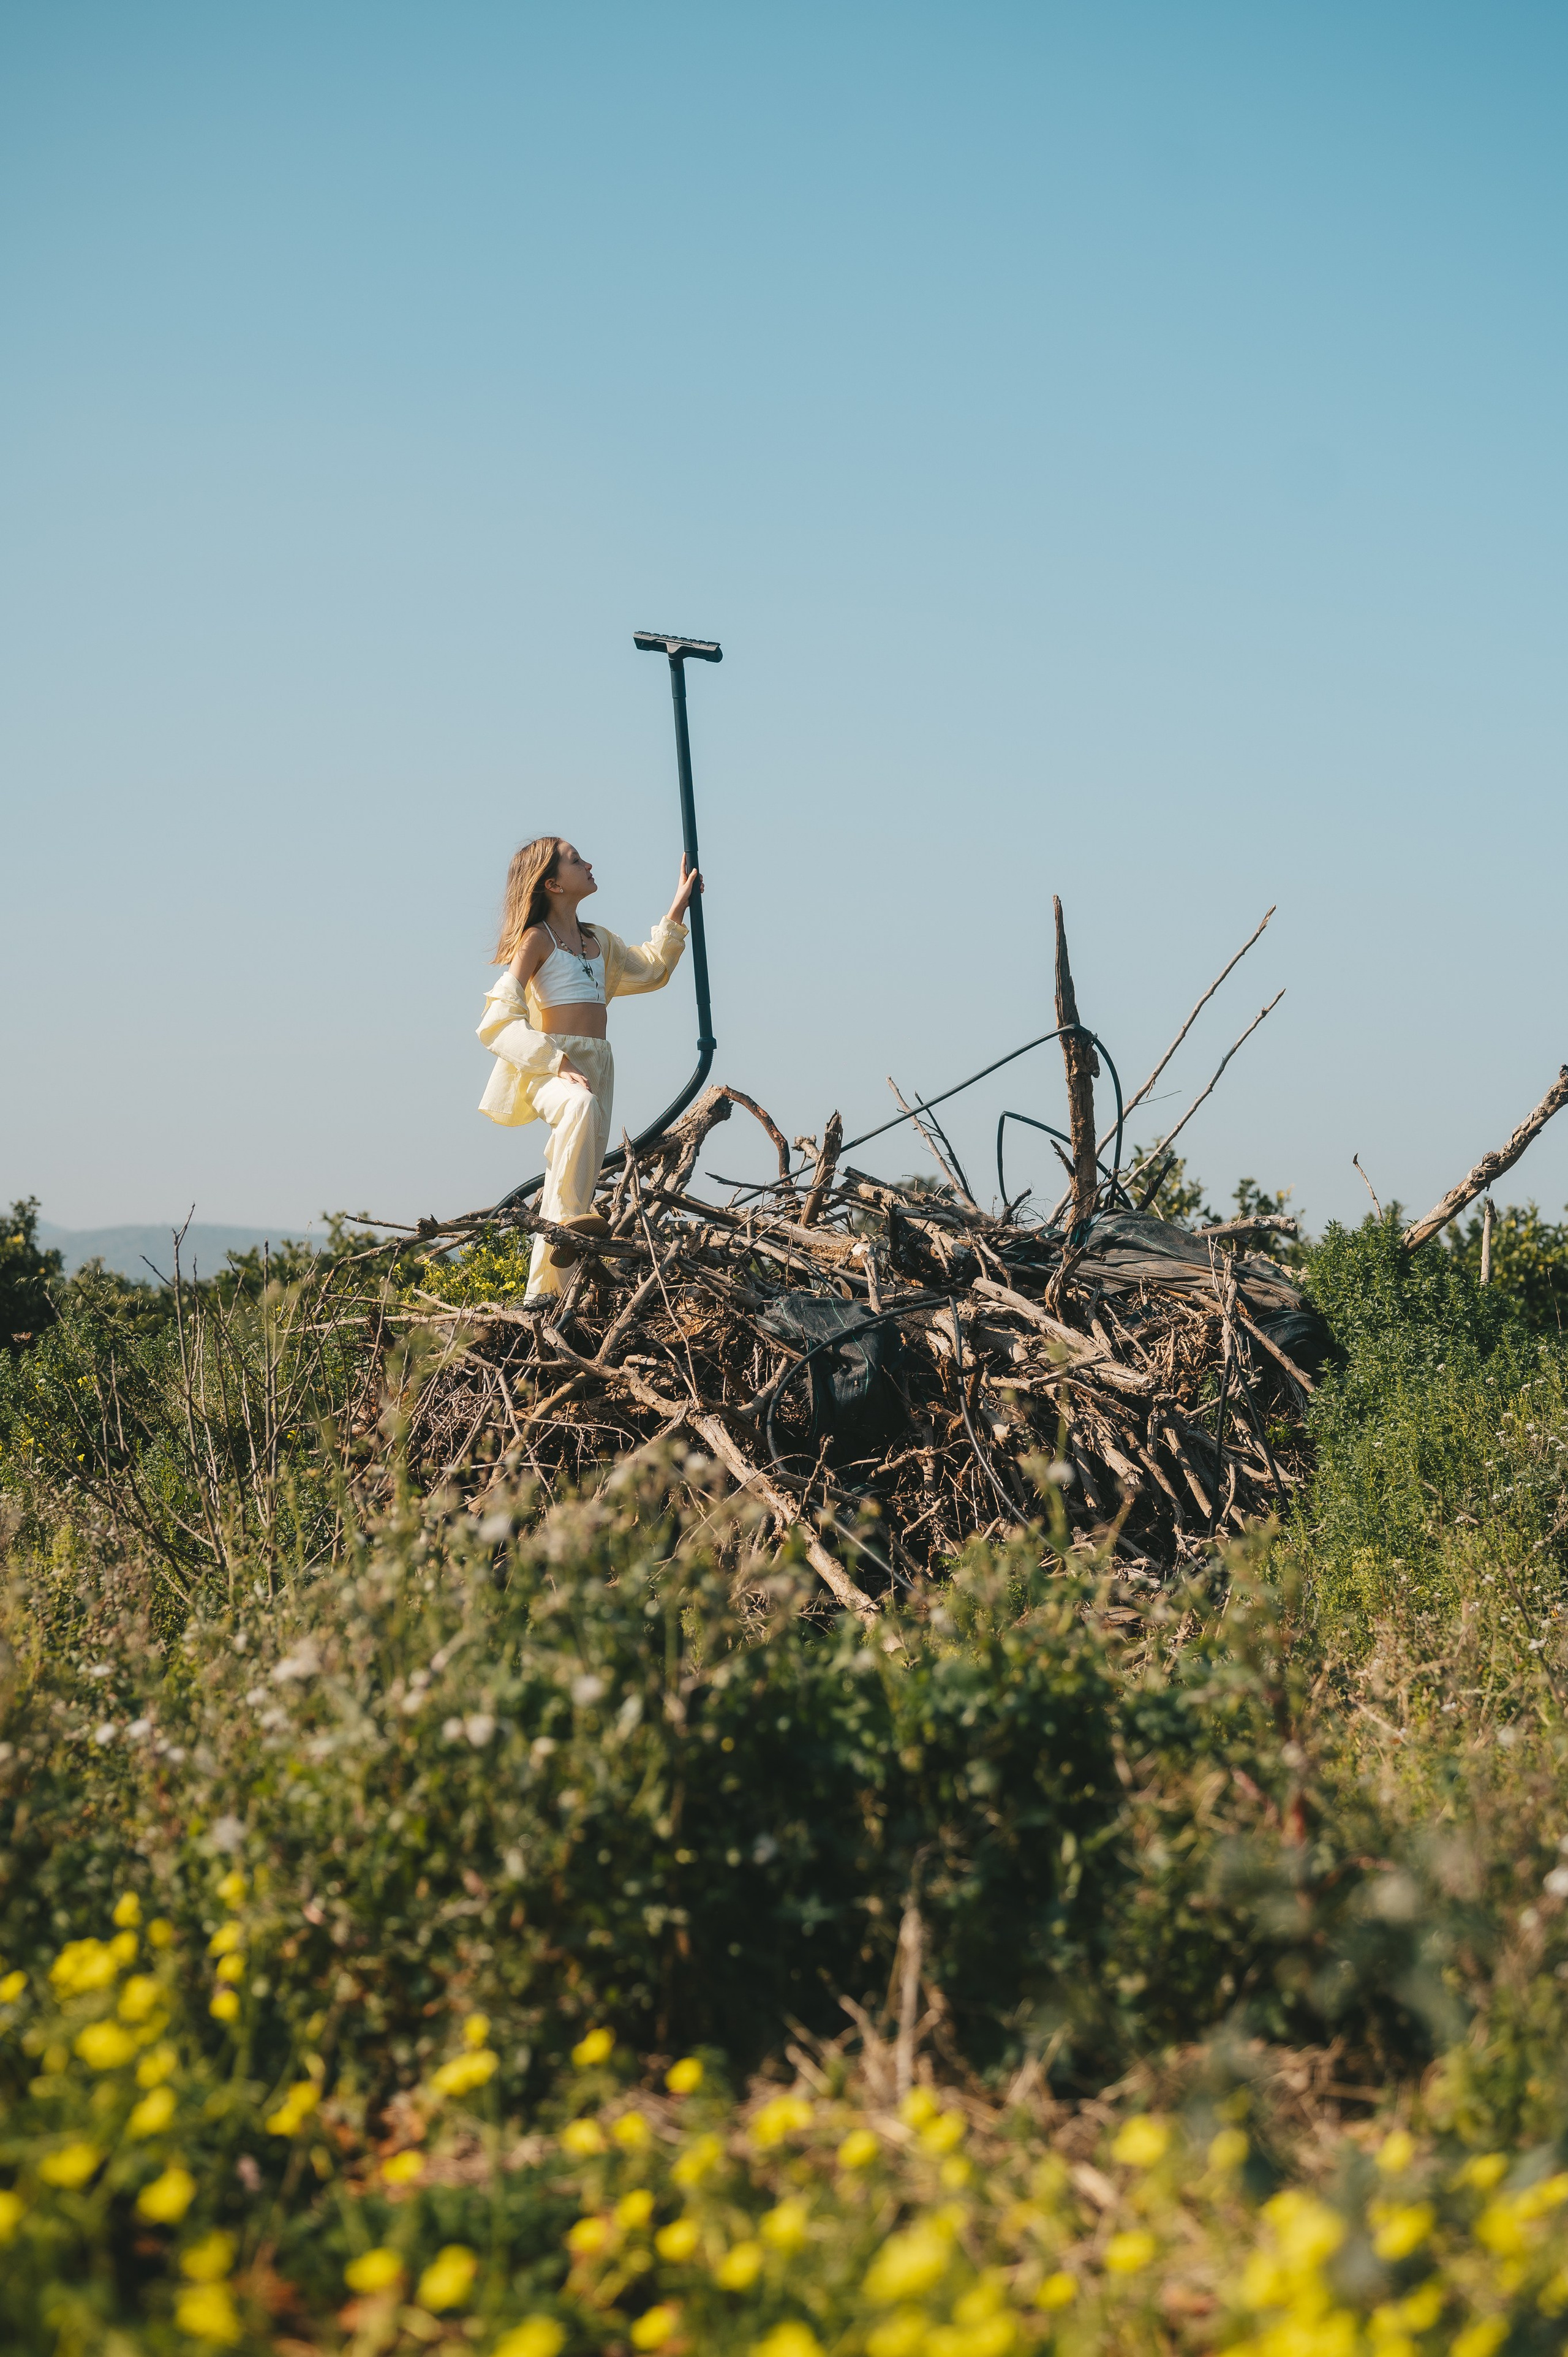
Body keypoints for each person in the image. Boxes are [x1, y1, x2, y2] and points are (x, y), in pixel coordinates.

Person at [477, 837, 701, 1302]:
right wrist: (554, 1061)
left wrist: (677, 908)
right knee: (577, 1110)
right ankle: (547, 1277)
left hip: (597, 1064)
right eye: (576, 860)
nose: (590, 864)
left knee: (577, 1171)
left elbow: (654, 969)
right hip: (549, 1067)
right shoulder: (537, 940)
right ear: (553, 883)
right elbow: (497, 1020)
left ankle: (553, 1294)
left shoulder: (600, 941)